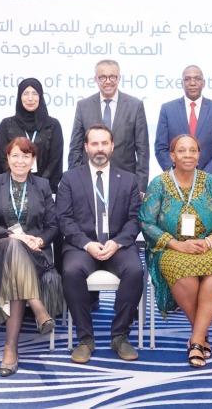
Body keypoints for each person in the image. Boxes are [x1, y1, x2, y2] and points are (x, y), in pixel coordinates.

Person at [139, 134, 212, 368]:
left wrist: (210, 241)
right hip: (170, 247)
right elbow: (146, 222)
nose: (188, 155)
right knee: (184, 271)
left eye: (193, 150)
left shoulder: (211, 182)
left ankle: (197, 339)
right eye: (181, 151)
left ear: (199, 155)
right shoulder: (159, 183)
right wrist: (177, 244)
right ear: (172, 155)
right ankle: (200, 336)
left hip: (207, 246)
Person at [0, 137, 64, 377]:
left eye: (26, 156)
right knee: (15, 247)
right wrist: (13, 236)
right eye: (15, 155)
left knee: (17, 265)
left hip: (34, 251)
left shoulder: (42, 185)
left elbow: (52, 226)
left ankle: (10, 348)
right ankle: (38, 309)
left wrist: (40, 240)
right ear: (7, 158)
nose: (20, 161)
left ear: (33, 160)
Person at [57, 125, 144, 364]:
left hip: (118, 245)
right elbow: (63, 219)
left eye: (104, 143)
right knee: (71, 271)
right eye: (94, 144)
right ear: (86, 147)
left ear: (112, 146)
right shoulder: (70, 179)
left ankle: (120, 336)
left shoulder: (128, 179)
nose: (99, 149)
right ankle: (85, 338)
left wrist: (117, 242)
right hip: (82, 246)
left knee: (135, 270)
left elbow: (135, 219)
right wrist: (87, 244)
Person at [69, 59, 149, 185]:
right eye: (102, 77)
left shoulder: (135, 105)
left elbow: (142, 149)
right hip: (89, 179)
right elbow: (75, 148)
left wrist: (141, 185)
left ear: (119, 78)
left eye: (112, 77)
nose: (107, 81)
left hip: (125, 179)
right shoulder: (83, 106)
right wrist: (74, 181)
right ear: (95, 79)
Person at [154, 65, 212, 178]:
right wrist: (177, 174)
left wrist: (203, 177)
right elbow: (161, 148)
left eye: (197, 78)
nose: (192, 83)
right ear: (181, 83)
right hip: (175, 181)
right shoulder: (167, 109)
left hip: (209, 181)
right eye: (187, 79)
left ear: (204, 83)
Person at [0, 78, 64, 194]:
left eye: (35, 94)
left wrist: (40, 185)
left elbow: (55, 160)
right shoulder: (6, 125)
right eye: (25, 93)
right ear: (19, 97)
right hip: (13, 190)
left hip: (44, 190)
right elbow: (3, 160)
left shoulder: (53, 125)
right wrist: (19, 184)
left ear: (40, 97)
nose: (30, 98)